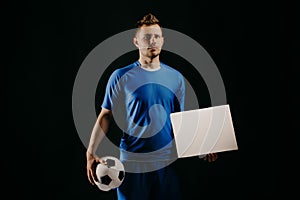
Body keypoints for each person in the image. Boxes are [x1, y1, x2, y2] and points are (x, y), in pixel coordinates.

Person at [86, 13, 218, 200]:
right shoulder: (121, 76)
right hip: (132, 165)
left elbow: (179, 123)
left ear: (163, 41)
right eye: (147, 37)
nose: (152, 41)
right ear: (136, 41)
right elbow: (105, 115)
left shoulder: (176, 78)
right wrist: (90, 152)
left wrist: (202, 149)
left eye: (156, 36)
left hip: (165, 165)